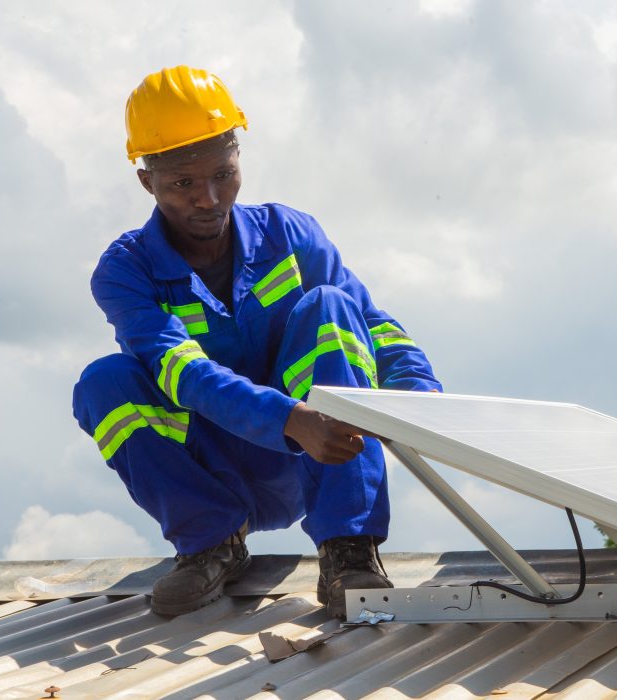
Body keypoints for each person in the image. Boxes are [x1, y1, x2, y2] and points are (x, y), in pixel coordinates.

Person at [72, 65, 441, 618]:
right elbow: (180, 372)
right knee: (104, 383)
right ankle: (211, 545)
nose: (209, 197)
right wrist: (289, 418)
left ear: (239, 155)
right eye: (183, 184)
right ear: (147, 182)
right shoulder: (126, 271)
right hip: (221, 461)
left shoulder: (289, 235)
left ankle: (348, 549)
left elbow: (371, 323)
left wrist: (421, 394)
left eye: (224, 173)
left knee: (330, 308)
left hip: (321, 455)